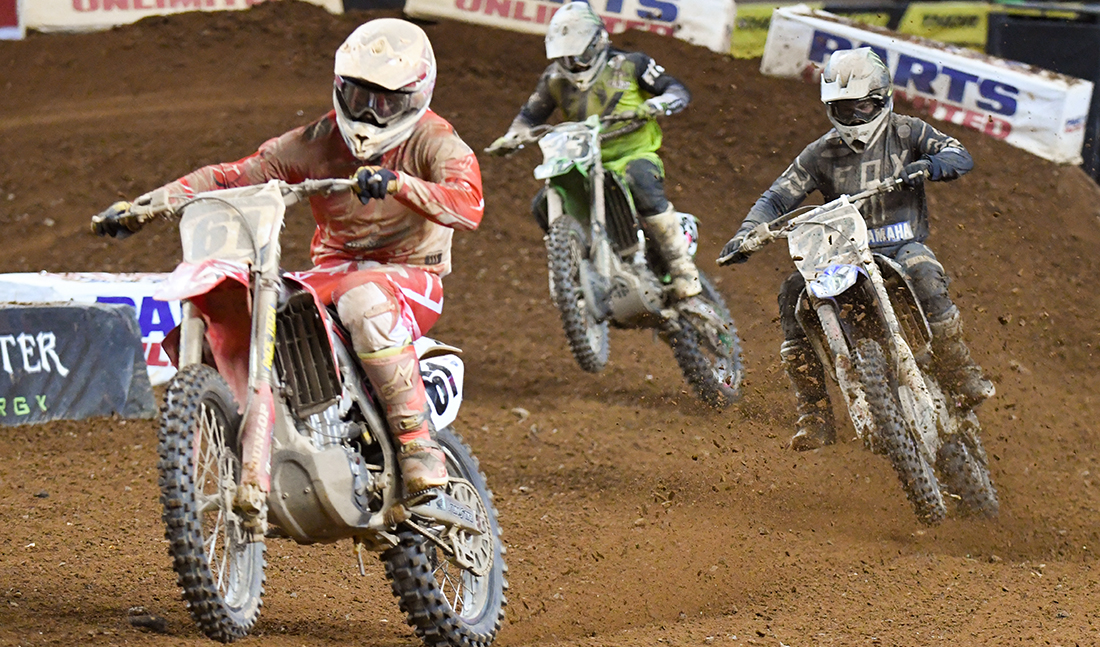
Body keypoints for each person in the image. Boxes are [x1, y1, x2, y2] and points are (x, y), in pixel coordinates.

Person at [92, 19, 484, 505]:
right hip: (332, 271)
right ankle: (272, 428)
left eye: (384, 101)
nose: (368, 111)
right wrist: (144, 207)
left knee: (363, 302)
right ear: (340, 86)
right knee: (259, 299)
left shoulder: (434, 140)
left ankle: (417, 445)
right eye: (359, 95)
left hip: (410, 275)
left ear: (414, 96)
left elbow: (469, 203)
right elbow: (230, 177)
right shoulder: (315, 142)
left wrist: (402, 185)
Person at [719, 47, 994, 451]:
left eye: (862, 107)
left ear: (882, 99)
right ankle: (813, 412)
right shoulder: (821, 152)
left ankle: (960, 370)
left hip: (901, 245)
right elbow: (777, 197)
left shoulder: (907, 131)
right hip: (842, 255)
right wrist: (748, 232)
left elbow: (959, 154)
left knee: (925, 273)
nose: (854, 119)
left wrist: (931, 167)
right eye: (844, 110)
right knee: (793, 293)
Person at [487, 1, 700, 300]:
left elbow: (677, 90)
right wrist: (513, 136)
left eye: (579, 54)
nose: (573, 63)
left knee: (640, 179)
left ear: (598, 42)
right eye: (565, 56)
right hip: (583, 159)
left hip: (632, 153)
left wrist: (653, 105)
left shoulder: (631, 63)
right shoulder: (554, 78)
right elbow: (530, 116)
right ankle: (578, 269)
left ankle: (682, 267)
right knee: (543, 204)